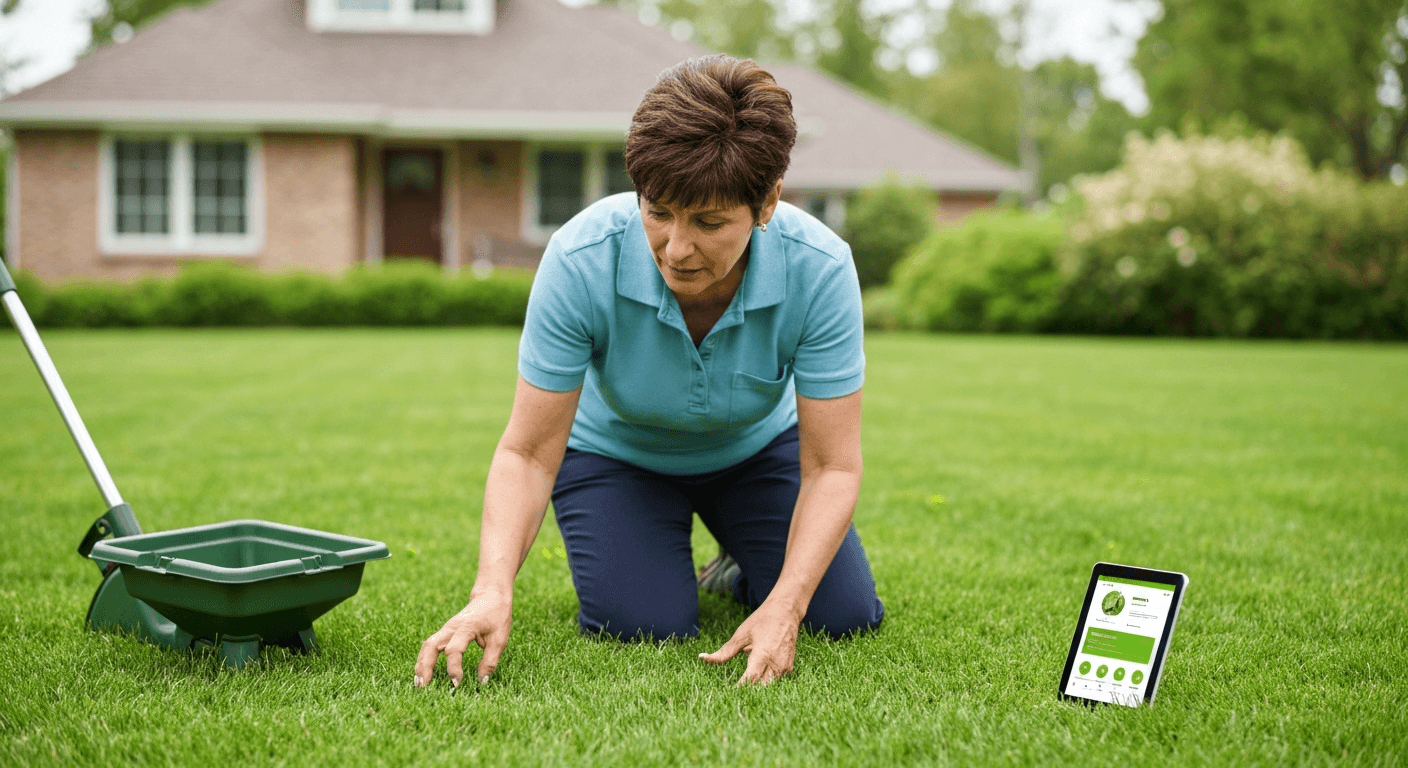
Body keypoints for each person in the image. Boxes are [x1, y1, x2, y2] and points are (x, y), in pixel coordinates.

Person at [414, 54, 884, 688]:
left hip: (753, 452)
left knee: (843, 616)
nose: (676, 247)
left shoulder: (820, 268)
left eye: (709, 222)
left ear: (767, 202)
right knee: (646, 624)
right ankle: (691, 559)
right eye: (657, 211)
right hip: (618, 455)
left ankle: (741, 567)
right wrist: (491, 589)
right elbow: (526, 453)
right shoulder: (581, 257)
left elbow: (832, 465)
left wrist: (787, 604)